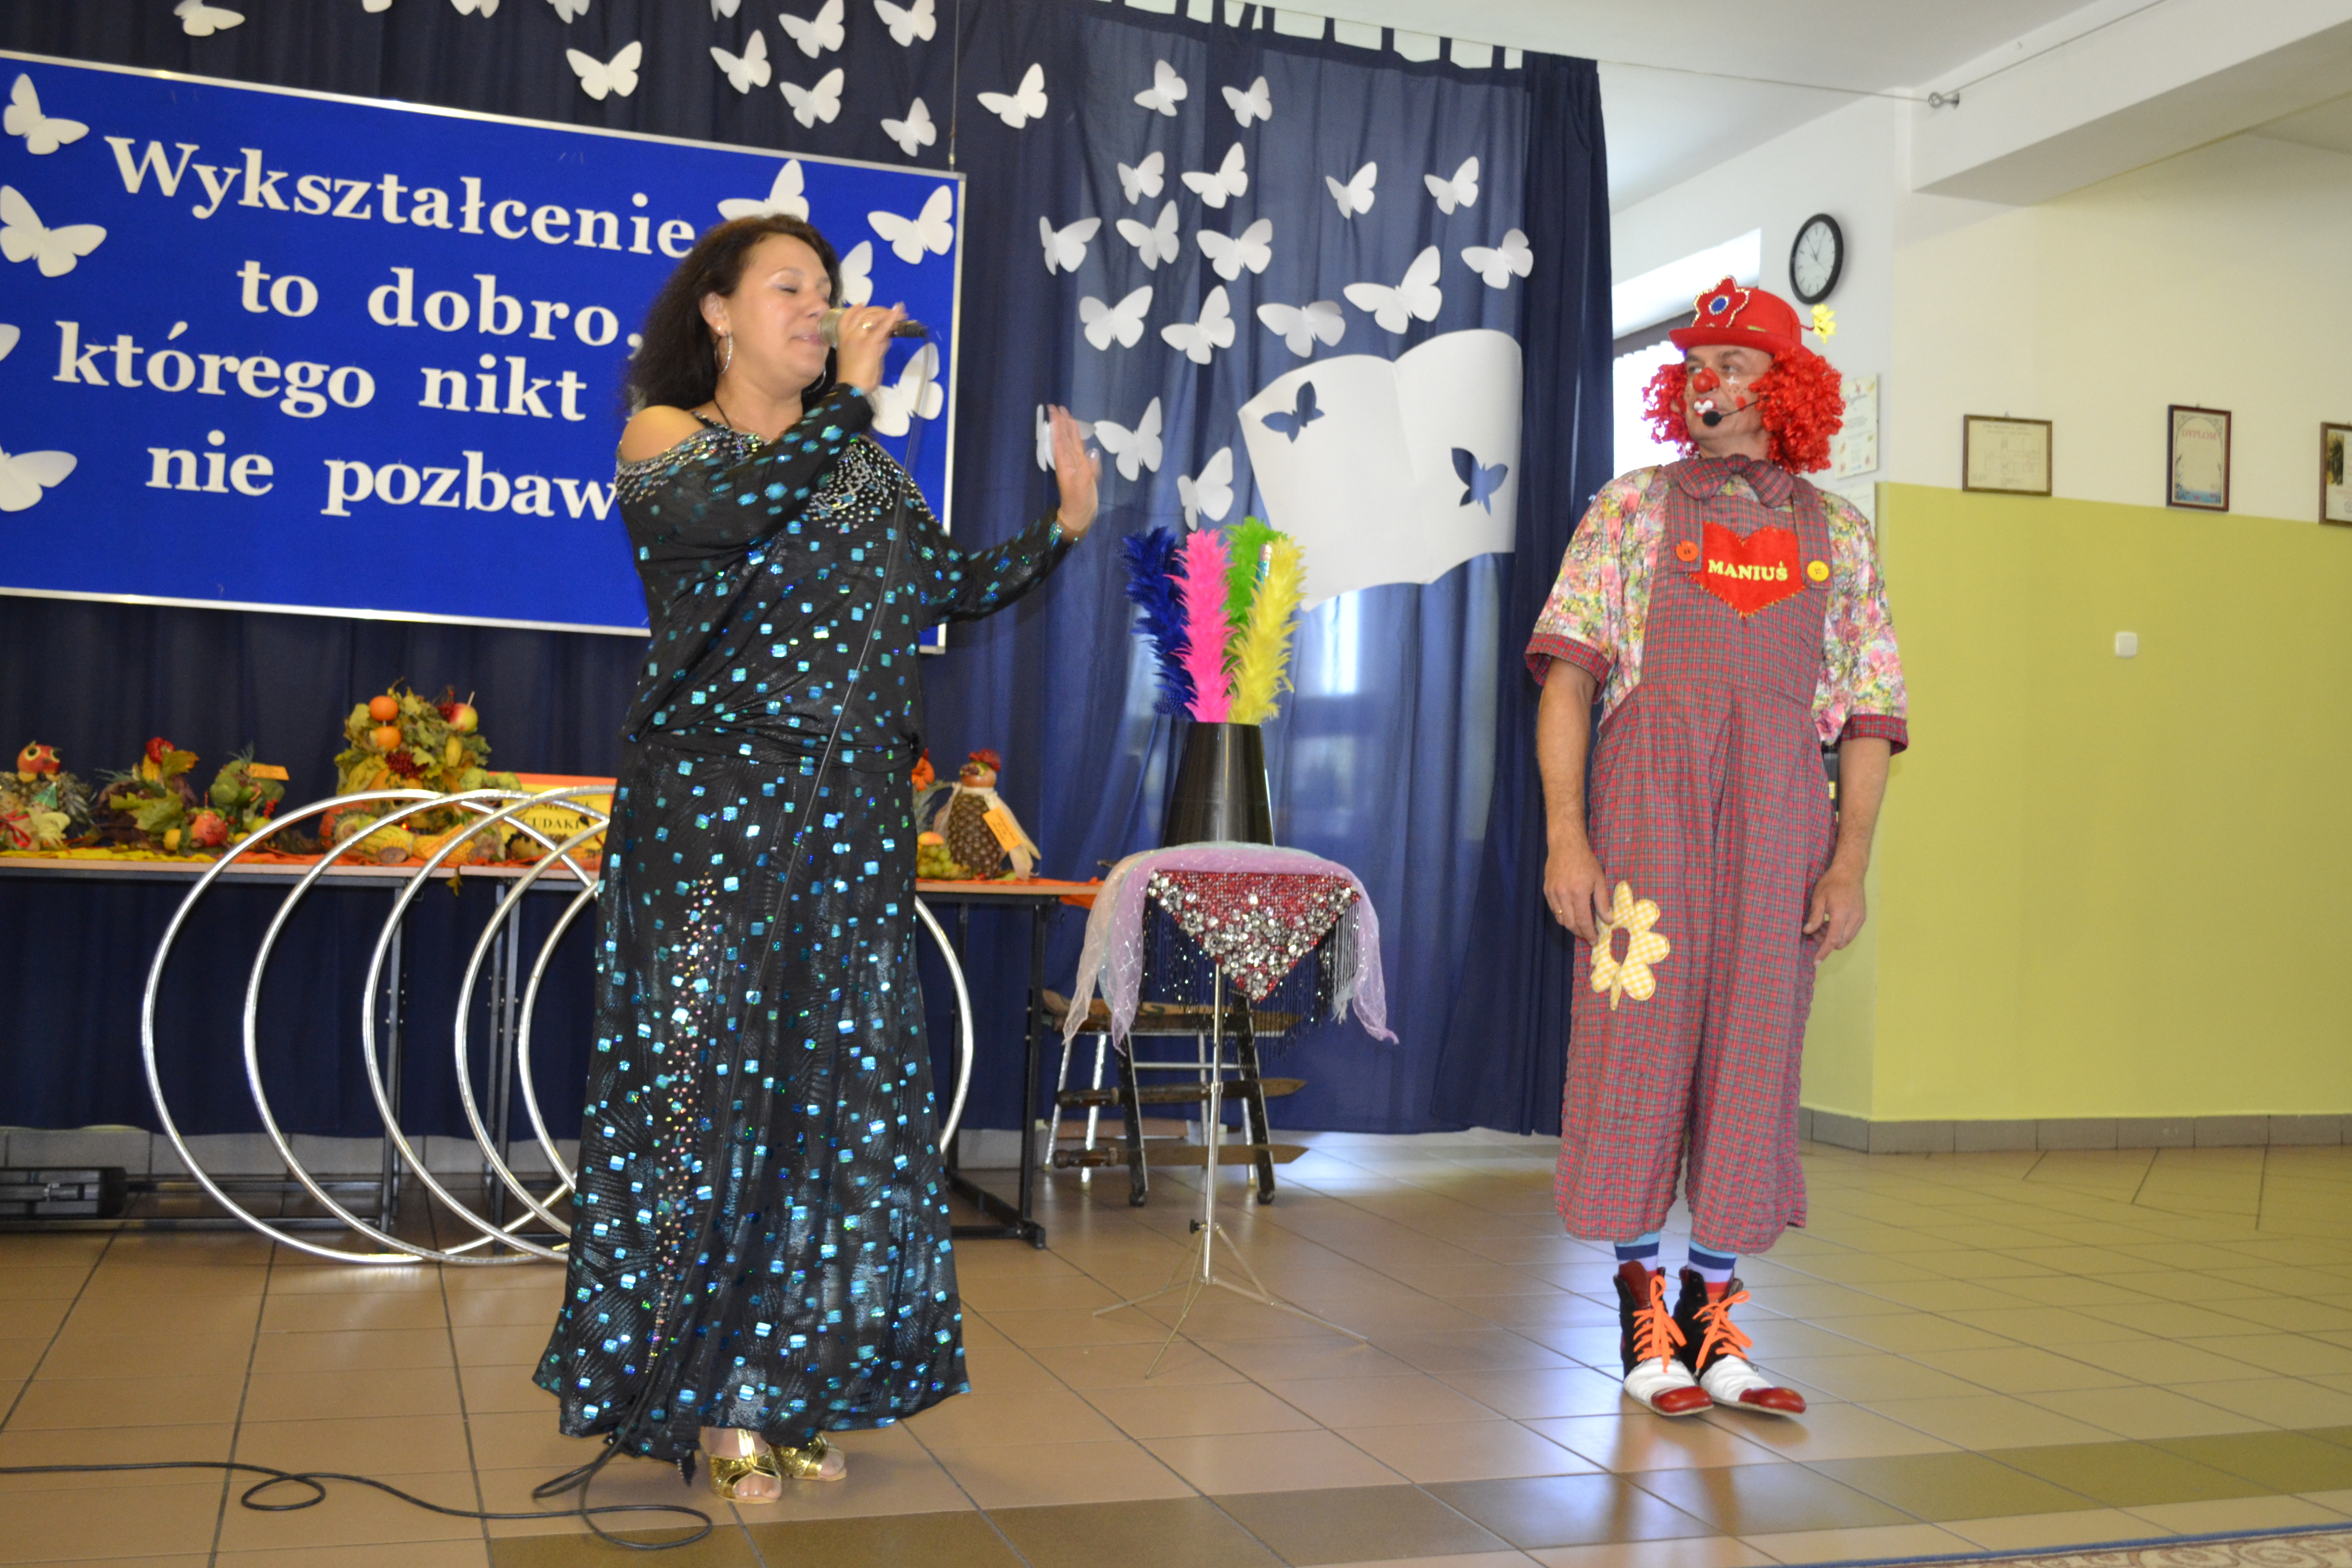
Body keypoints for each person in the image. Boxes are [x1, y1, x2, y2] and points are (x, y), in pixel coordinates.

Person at [535, 213, 1098, 1500]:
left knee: (829, 1110)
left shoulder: (861, 465)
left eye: (827, 288)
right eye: (788, 285)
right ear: (717, 312)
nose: (819, 304)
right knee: (710, 1100)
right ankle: (706, 1400)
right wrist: (850, 398)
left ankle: (791, 1387)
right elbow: (737, 510)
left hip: (849, 825)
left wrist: (1063, 527)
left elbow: (946, 586)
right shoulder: (666, 436)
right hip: (715, 820)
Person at [1527, 279, 1906, 1417]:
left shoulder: (1840, 534)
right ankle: (1645, 1326)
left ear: (1788, 389)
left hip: (1781, 820)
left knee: (1755, 1052)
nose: (1710, 380)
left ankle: (1716, 1322)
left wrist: (1850, 862)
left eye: (1736, 363)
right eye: (1697, 364)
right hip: (1646, 810)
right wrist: (1566, 836)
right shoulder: (1630, 510)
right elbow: (1567, 680)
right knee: (1635, 1050)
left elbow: (1870, 714)